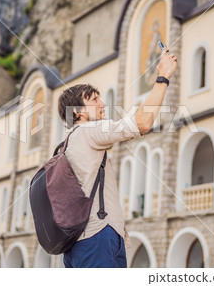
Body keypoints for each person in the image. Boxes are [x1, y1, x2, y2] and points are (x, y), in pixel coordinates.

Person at [57, 47, 177, 268]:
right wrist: (163, 77)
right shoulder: (87, 132)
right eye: (94, 100)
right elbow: (142, 123)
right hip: (98, 237)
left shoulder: (68, 142)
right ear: (77, 112)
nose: (103, 105)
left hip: (79, 242)